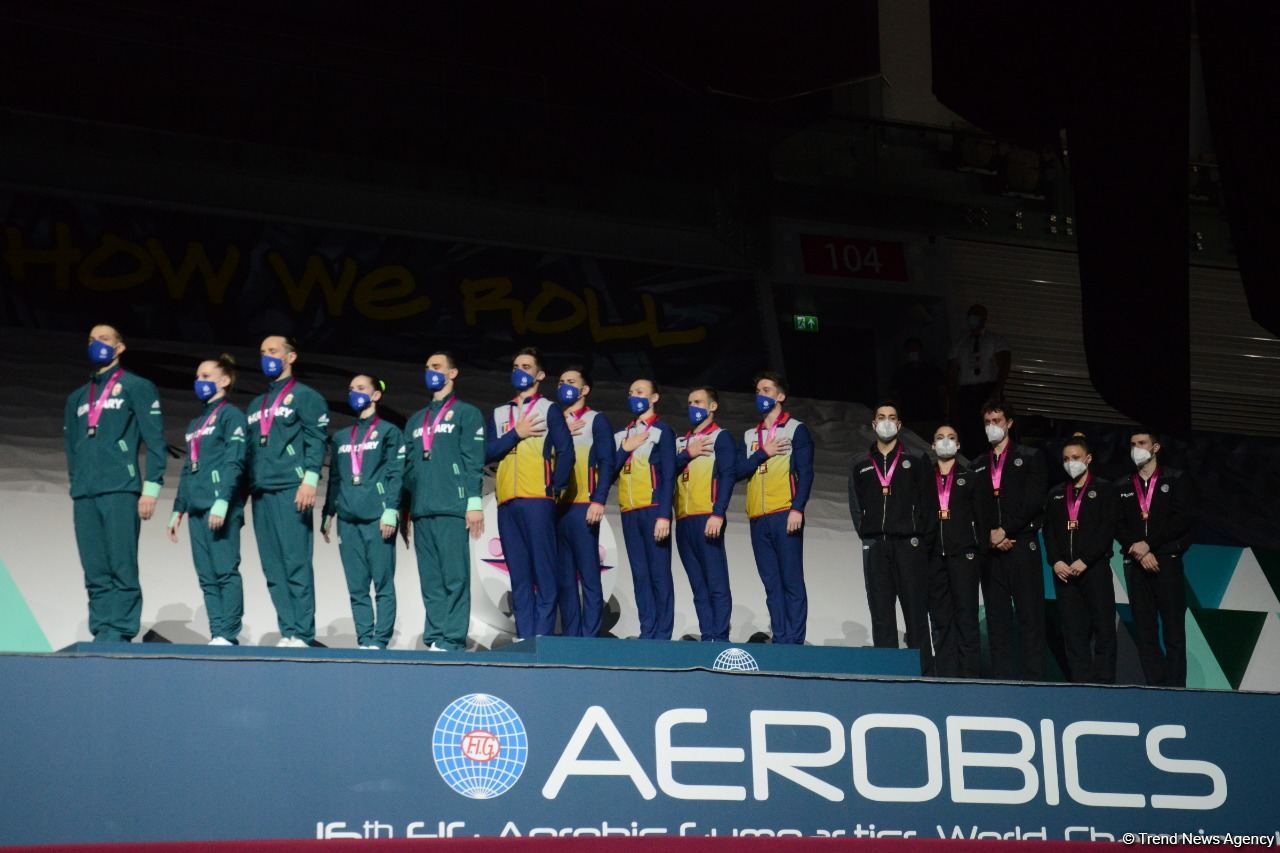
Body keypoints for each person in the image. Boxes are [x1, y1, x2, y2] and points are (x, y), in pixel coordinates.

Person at [63, 324, 166, 643]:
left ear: (120, 347)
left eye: (104, 340)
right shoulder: (77, 397)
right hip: (85, 491)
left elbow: (155, 439)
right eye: (91, 340)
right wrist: (76, 482)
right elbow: (71, 448)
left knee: (122, 562)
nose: (97, 345)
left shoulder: (137, 386)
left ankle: (121, 628)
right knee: (94, 565)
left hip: (121, 487)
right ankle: (102, 628)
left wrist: (151, 487)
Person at [485, 347, 574, 640]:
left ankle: (543, 638)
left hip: (538, 500)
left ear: (539, 375)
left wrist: (555, 488)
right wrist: (516, 433)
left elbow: (566, 451)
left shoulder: (548, 409)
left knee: (545, 574)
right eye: (515, 366)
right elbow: (487, 453)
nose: (519, 371)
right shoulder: (500, 412)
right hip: (507, 503)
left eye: (526, 366)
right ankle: (524, 637)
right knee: (519, 576)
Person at [246, 335, 329, 648]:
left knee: (295, 562)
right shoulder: (256, 404)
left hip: (291, 488)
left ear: (290, 356)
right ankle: (289, 630)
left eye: (273, 351)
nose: (266, 356)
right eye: (263, 352)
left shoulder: (306, 396)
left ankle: (303, 633)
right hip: (261, 490)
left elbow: (316, 438)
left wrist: (309, 478)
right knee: (273, 567)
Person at [404, 352, 486, 651]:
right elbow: (409, 469)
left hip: (453, 505)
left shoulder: (467, 413)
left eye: (437, 367)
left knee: (455, 576)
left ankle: (452, 638)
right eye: (427, 368)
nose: (431, 372)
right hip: (422, 509)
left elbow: (472, 459)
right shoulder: (415, 420)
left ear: (453, 373)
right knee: (431, 580)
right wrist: (406, 509)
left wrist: (474, 501)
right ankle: (435, 636)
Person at [848, 402, 936, 670]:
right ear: (874, 424)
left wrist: (920, 539)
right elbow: (855, 503)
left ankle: (924, 673)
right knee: (881, 613)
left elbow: (928, 504)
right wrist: (867, 534)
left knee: (915, 612)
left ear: (899, 425)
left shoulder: (916, 459)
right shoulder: (860, 463)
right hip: (876, 546)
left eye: (892, 418)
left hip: (908, 545)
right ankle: (887, 674)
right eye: (881, 418)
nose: (887, 422)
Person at [167, 355, 248, 645]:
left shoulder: (231, 416)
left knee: (225, 570)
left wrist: (224, 500)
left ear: (224, 381)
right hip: (196, 507)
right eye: (197, 376)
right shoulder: (196, 422)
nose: (199, 381)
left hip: (220, 506)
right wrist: (178, 508)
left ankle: (229, 631)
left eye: (206, 376)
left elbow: (235, 461)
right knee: (207, 575)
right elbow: (190, 467)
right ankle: (218, 633)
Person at [321, 375, 405, 650]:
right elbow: (335, 477)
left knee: (382, 584)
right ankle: (364, 639)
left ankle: (380, 640)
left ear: (376, 396)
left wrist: (391, 509)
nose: (354, 393)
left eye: (360, 388)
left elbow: (395, 473)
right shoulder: (342, 437)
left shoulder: (389, 432)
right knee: (357, 587)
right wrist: (328, 511)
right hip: (348, 519)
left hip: (377, 517)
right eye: (351, 389)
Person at [735, 372, 813, 645]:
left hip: (784, 513)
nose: (761, 395)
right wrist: (763, 453)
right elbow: (737, 470)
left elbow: (806, 472)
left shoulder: (796, 430)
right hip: (758, 518)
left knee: (791, 580)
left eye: (766, 390)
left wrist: (797, 508)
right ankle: (780, 638)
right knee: (771, 584)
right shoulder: (749, 436)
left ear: (780, 395)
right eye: (757, 391)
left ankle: (795, 640)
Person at [971, 401, 1047, 680]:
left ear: (1010, 423)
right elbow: (976, 507)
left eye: (998, 421)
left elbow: (1034, 500)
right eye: (988, 422)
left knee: (1030, 617)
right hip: (991, 550)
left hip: (1021, 546)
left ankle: (1035, 681)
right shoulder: (978, 464)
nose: (993, 427)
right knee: (996, 619)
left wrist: (1006, 530)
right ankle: (1001, 681)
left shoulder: (1030, 456)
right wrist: (991, 533)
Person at [1117, 429, 1196, 687]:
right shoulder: (1123, 485)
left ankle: (1176, 687)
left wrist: (1149, 545)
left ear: (1156, 447)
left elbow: (1182, 518)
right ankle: (1155, 685)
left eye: (1142, 443)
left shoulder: (1175, 479)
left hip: (1166, 560)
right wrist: (1137, 550)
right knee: (1145, 628)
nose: (1136, 448)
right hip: (1136, 563)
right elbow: (1117, 524)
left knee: (1173, 629)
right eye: (1132, 444)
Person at [1044, 434, 1119, 684]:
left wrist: (1085, 560)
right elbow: (1050, 532)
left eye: (1075, 458)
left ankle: (1105, 683)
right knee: (1073, 632)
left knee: (1104, 629)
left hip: (1093, 568)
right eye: (1066, 459)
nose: (1070, 463)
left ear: (1088, 459)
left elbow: (1106, 529)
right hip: (1064, 572)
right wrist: (1055, 561)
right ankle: (1081, 683)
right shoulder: (1055, 494)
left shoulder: (1104, 489)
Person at [613, 378, 676, 640]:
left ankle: (662, 633)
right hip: (629, 512)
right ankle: (647, 630)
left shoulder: (662, 431)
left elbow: (669, 473)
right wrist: (624, 449)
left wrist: (664, 514)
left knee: (659, 574)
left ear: (654, 398)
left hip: (653, 510)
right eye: (630, 392)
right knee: (640, 574)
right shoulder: (621, 435)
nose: (633, 396)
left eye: (640, 392)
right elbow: (609, 469)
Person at [554, 366, 614, 638]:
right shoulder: (552, 421)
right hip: (556, 508)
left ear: (584, 390)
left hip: (583, 506)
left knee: (588, 575)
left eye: (571, 382)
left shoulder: (596, 420)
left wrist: (598, 500)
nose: (564, 386)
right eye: (561, 382)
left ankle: (589, 637)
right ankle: (571, 635)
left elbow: (607, 462)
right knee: (564, 579)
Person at [673, 386, 737, 642]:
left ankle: (719, 637)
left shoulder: (721, 437)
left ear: (712, 406)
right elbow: (666, 470)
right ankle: (707, 633)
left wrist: (718, 513)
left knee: (716, 583)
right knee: (698, 585)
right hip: (683, 521)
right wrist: (687, 454)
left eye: (698, 402)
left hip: (707, 517)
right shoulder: (680, 443)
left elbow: (728, 476)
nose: (693, 407)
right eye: (690, 402)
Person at [925, 424, 985, 677]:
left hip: (964, 556)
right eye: (940, 438)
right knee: (940, 618)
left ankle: (971, 676)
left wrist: (979, 553)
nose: (945, 442)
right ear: (932, 445)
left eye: (951, 438)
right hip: (933, 556)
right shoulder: (924, 477)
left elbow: (982, 519)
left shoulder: (970, 478)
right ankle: (946, 675)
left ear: (959, 445)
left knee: (967, 616)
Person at [947, 305, 1011, 452]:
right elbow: (952, 373)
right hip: (966, 391)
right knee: (968, 431)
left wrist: (996, 392)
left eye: (977, 314)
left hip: (987, 389)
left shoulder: (996, 340)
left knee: (991, 430)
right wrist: (953, 400)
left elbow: (1004, 366)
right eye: (971, 314)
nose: (973, 318)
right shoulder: (960, 343)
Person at [890, 338, 945, 430]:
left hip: (932, 418)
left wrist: (945, 414)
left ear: (921, 351)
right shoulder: (900, 373)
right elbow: (895, 396)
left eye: (915, 349)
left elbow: (942, 392)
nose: (913, 352)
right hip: (910, 419)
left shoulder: (933, 370)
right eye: (910, 350)